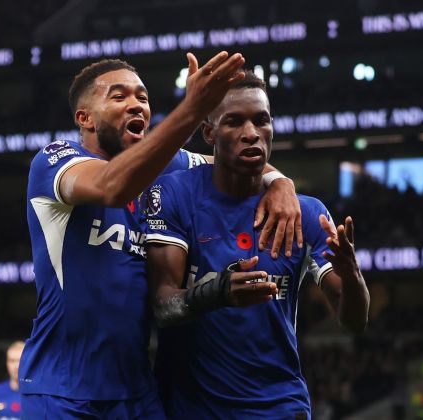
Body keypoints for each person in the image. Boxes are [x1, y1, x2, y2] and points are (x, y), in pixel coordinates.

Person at [20, 52, 302, 419]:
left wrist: (279, 181)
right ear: (84, 118)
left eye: (142, 97)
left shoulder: (167, 164)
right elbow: (112, 186)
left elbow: (237, 158)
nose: (136, 104)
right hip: (61, 390)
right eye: (118, 96)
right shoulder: (55, 160)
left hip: (138, 391)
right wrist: (191, 109)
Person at [144, 70, 370, 419]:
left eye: (261, 121)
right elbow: (162, 306)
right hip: (191, 408)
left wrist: (352, 274)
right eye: (234, 122)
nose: (251, 134)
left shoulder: (307, 213)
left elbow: (354, 321)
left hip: (278, 407)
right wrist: (218, 292)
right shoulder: (175, 194)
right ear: (209, 133)